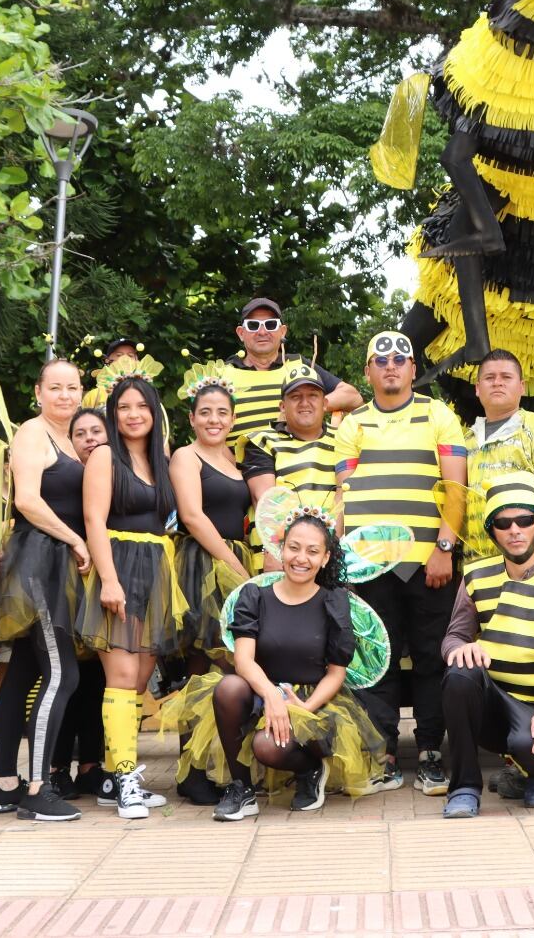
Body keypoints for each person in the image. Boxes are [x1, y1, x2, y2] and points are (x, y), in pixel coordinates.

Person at [159, 510, 385, 820]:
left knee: (268, 747)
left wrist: (302, 710)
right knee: (227, 687)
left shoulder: (334, 601)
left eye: (312, 551)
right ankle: (242, 789)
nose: (300, 558)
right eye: (294, 547)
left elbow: (336, 674)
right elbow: (243, 660)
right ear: (281, 549)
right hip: (261, 693)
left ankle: (311, 769)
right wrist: (270, 696)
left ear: (325, 557)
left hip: (314, 701)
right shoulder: (254, 595)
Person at [335, 330, 468, 796]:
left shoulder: (439, 414)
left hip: (430, 562)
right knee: (377, 659)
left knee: (433, 657)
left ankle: (431, 750)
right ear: (368, 371)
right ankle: (384, 752)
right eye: (380, 359)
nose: (391, 365)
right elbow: (343, 499)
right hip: (369, 567)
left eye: (400, 358)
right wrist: (344, 563)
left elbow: (456, 488)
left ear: (413, 369)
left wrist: (444, 548)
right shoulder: (352, 424)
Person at [440, 475, 534, 817]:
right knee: (458, 674)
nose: (515, 530)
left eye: (524, 520)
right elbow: (453, 637)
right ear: (492, 530)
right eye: (503, 522)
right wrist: (459, 650)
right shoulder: (476, 575)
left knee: (530, 742)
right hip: (496, 701)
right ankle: (464, 786)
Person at [75, 363, 183, 819]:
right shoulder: (104, 456)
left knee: (139, 681)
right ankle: (122, 780)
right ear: (113, 414)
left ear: (155, 412)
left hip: (157, 568)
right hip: (119, 564)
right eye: (124, 407)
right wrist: (110, 579)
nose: (134, 414)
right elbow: (94, 521)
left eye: (142, 406)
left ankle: (121, 773)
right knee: (120, 678)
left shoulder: (160, 458)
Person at [0, 358, 90, 823]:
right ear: (38, 392)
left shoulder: (71, 437)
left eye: (72, 387)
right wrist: (73, 538)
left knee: (26, 670)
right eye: (56, 388)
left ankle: (4, 784)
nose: (65, 395)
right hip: (41, 560)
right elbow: (27, 499)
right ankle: (37, 787)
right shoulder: (34, 433)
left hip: (56, 561)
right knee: (62, 674)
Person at [169, 369, 254, 805]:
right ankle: (191, 768)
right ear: (192, 418)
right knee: (202, 665)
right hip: (204, 564)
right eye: (206, 413)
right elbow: (193, 515)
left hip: (234, 559)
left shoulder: (235, 462)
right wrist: (233, 565)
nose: (214, 419)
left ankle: (219, 760)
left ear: (233, 418)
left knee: (230, 669)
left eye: (222, 412)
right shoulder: (186, 456)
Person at [44, 406, 112, 800]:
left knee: (96, 679)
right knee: (65, 674)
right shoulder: (64, 476)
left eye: (96, 431)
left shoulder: (113, 470)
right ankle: (54, 768)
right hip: (63, 580)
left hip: (103, 580)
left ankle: (91, 764)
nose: (89, 439)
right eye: (80, 433)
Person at [224, 297, 360, 444]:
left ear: (282, 332)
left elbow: (352, 397)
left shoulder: (300, 366)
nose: (262, 331)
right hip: (235, 465)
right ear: (241, 333)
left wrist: (305, 407)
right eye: (253, 325)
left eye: (270, 325)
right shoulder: (222, 374)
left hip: (298, 464)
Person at [467, 349, 534, 532]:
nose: (497, 383)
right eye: (489, 377)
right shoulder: (466, 440)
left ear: (522, 386)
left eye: (506, 377)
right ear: (477, 388)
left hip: (529, 556)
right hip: (473, 557)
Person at [240, 361, 340, 536]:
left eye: (313, 395)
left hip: (334, 551)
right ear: (283, 407)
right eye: (295, 397)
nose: (304, 403)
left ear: (325, 403)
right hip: (279, 552)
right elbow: (266, 506)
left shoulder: (343, 438)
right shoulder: (261, 442)